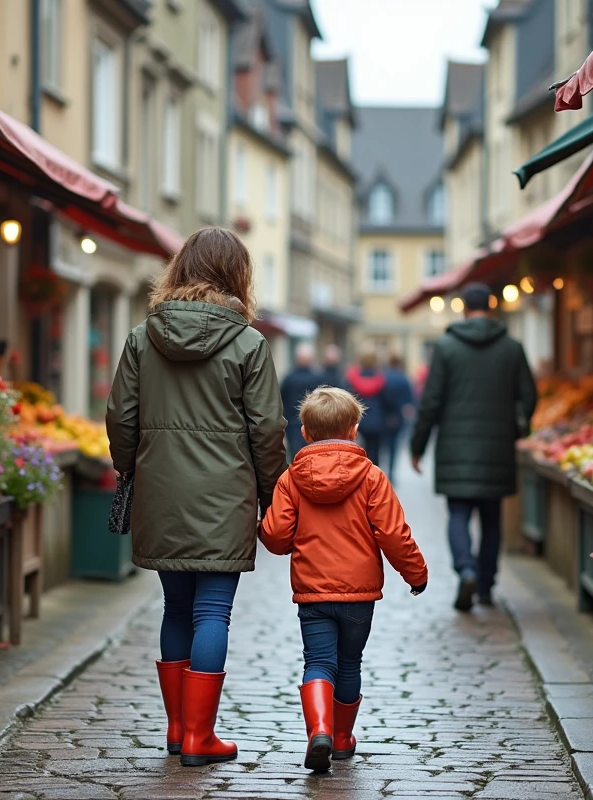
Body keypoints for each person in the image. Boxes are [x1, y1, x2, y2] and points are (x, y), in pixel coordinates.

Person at [105, 227, 287, 767]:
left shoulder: (143, 337)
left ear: (179, 269)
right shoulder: (249, 342)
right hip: (225, 496)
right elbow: (268, 429)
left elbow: (120, 417)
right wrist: (272, 490)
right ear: (239, 276)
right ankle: (200, 737)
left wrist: (130, 467)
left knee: (176, 608)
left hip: (160, 492)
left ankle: (178, 728)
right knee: (214, 611)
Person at [260, 387, 428, 772]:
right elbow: (393, 533)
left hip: (312, 592)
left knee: (318, 661)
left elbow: (276, 534)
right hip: (359, 596)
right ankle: (340, 738)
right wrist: (415, 573)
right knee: (350, 663)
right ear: (354, 431)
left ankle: (317, 729)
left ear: (304, 433)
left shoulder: (291, 479)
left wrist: (265, 529)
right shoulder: (372, 477)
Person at [410, 283, 537, 612]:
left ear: (464, 309)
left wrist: (418, 445)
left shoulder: (447, 346)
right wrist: (519, 426)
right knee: (492, 518)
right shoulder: (512, 347)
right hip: (497, 449)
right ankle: (485, 586)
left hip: (455, 449)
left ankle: (465, 569)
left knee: (459, 514)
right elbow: (529, 395)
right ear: (492, 307)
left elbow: (431, 401)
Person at [344, 348, 390, 467]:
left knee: (357, 451)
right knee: (375, 452)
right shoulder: (381, 380)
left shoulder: (352, 378)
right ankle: (373, 476)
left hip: (357, 421)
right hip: (376, 421)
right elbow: (386, 402)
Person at [280, 343, 323, 461]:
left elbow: (280, 398)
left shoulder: (289, 377)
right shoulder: (317, 377)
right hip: (313, 421)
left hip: (293, 421)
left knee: (297, 454)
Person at [381, 352, 415, 483]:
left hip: (384, 416)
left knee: (382, 446)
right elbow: (409, 401)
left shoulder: (383, 377)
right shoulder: (403, 378)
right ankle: (391, 473)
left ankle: (379, 473)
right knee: (394, 447)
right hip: (398, 416)